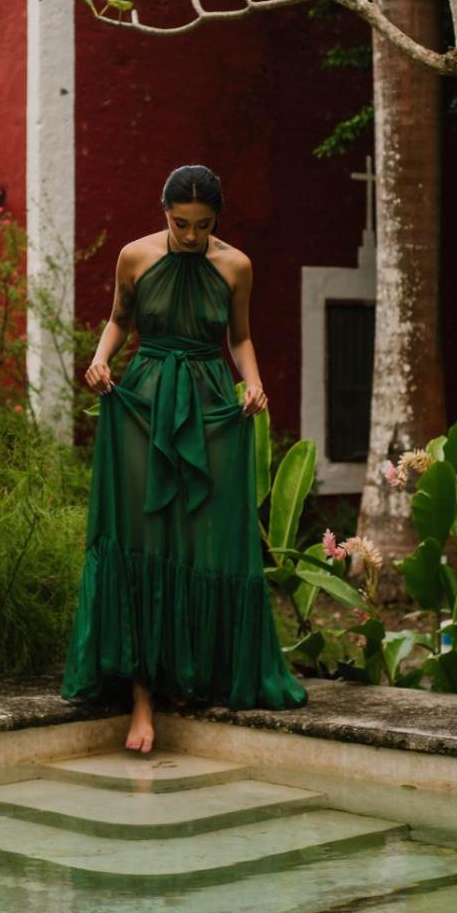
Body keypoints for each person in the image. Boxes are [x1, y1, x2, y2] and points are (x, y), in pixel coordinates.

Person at [60, 164, 308, 753]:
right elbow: (119, 320)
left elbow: (239, 338)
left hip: (210, 405)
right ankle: (142, 698)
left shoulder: (236, 266)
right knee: (144, 539)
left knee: (200, 540)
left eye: (203, 225)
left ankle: (188, 676)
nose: (192, 236)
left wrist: (254, 383)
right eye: (181, 224)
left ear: (217, 219)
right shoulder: (134, 256)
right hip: (143, 405)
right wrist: (100, 360)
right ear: (164, 213)